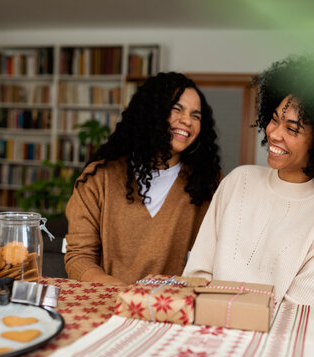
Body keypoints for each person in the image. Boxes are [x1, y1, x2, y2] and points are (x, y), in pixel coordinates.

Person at [183, 55, 314, 308]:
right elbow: (195, 278)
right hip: (209, 335)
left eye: (292, 129)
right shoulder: (238, 181)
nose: (273, 133)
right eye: (274, 119)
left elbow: (303, 313)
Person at [65, 72, 221, 286]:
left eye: (196, 115)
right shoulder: (99, 178)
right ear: (151, 112)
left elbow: (212, 261)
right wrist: (123, 293)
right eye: (177, 109)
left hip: (171, 308)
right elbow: (78, 257)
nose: (187, 120)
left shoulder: (207, 184)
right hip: (108, 304)